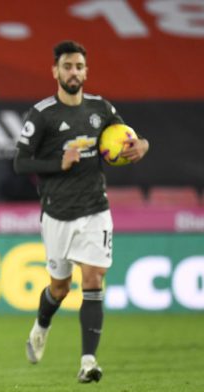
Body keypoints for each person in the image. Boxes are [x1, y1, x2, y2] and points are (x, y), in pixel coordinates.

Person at [13, 40, 149, 383]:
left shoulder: (101, 109)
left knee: (93, 279)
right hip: (57, 213)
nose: (74, 72)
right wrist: (59, 163)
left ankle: (88, 361)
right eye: (67, 66)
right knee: (59, 288)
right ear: (55, 71)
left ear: (86, 72)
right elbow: (19, 163)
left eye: (79, 67)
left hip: (94, 209)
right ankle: (41, 327)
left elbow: (128, 139)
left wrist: (141, 146)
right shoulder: (42, 114)